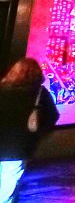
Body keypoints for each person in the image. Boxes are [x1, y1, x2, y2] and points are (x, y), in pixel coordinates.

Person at [0, 58, 58, 203]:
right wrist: (37, 135)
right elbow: (53, 115)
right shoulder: (39, 93)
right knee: (9, 182)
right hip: (18, 146)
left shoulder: (3, 90)